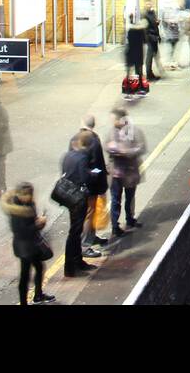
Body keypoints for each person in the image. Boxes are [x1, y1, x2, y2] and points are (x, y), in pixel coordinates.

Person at [2, 182, 54, 305]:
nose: (29, 197)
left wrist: (38, 221)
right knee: (25, 275)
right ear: (19, 195)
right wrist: (37, 224)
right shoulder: (16, 210)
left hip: (31, 244)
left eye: (30, 194)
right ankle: (25, 301)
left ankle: (38, 295)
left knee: (39, 267)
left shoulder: (29, 204)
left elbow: (30, 223)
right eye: (26, 195)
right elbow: (20, 231)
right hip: (24, 247)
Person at [105, 108, 146, 238]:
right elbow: (106, 146)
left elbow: (141, 147)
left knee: (130, 197)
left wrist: (127, 152)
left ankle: (130, 218)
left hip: (129, 172)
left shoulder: (134, 131)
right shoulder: (111, 132)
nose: (113, 122)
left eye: (115, 119)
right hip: (116, 172)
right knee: (115, 200)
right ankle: (115, 226)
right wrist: (113, 149)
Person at [60, 132, 97, 277]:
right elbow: (84, 177)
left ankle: (77, 262)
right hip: (78, 198)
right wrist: (94, 173)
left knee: (74, 231)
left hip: (68, 196)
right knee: (75, 232)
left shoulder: (67, 156)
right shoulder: (83, 158)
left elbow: (64, 172)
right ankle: (70, 267)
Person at [78, 115, 109, 257]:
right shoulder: (94, 140)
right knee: (89, 214)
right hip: (91, 185)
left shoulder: (76, 137)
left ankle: (91, 237)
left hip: (80, 185)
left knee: (88, 214)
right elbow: (97, 165)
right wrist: (100, 179)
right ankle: (85, 245)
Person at [123, 13, 149, 98]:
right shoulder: (141, 30)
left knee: (130, 71)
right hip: (138, 52)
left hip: (131, 51)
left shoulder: (128, 28)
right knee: (139, 71)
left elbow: (124, 40)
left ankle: (129, 91)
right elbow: (145, 41)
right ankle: (140, 89)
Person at [142, 1, 162, 80]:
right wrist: (148, 38)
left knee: (155, 55)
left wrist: (157, 23)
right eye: (147, 4)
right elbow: (145, 28)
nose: (149, 5)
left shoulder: (153, 13)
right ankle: (149, 75)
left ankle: (151, 73)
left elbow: (154, 25)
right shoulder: (145, 15)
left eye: (150, 3)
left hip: (155, 37)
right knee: (149, 57)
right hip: (150, 38)